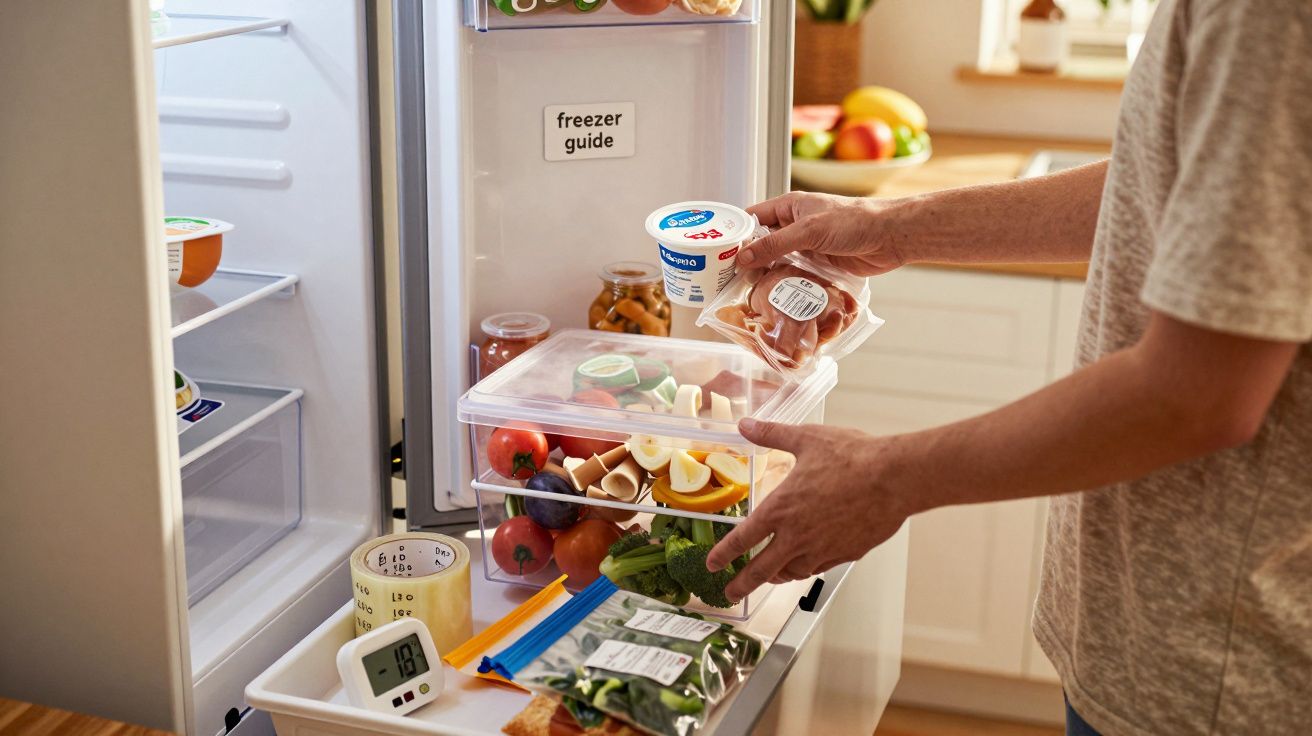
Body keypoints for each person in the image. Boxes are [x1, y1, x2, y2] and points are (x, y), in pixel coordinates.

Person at [707, 1, 1312, 733]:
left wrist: (887, 477)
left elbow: (1198, 397)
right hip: (1161, 642)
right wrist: (890, 228)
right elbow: (1169, 180)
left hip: (1213, 675)